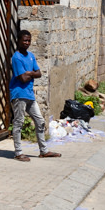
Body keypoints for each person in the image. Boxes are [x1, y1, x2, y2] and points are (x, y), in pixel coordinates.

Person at [10, 30, 61, 161]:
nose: (27, 43)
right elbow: (22, 78)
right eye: (24, 40)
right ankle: (18, 153)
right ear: (19, 41)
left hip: (29, 94)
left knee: (40, 121)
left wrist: (30, 73)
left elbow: (39, 73)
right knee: (19, 122)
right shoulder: (17, 57)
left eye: (28, 40)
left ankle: (43, 151)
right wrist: (32, 73)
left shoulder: (31, 55)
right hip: (19, 94)